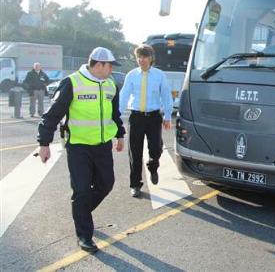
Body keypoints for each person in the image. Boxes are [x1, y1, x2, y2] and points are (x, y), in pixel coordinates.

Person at [37, 47, 125, 253]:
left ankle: (81, 213)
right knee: (82, 190)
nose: (112, 69)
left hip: (103, 145)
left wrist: (120, 134)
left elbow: (115, 113)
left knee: (106, 184)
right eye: (110, 65)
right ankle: (84, 235)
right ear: (99, 64)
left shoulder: (111, 85)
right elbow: (53, 114)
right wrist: (44, 143)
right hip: (78, 147)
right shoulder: (72, 82)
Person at [119, 45, 173, 198]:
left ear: (151, 58)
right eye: (138, 57)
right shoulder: (131, 75)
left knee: (156, 148)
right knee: (134, 152)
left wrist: (168, 115)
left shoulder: (159, 75)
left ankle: (153, 165)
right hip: (136, 117)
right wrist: (117, 115)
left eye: (144, 57)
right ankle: (135, 184)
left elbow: (166, 95)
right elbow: (124, 95)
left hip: (154, 117)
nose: (141, 60)